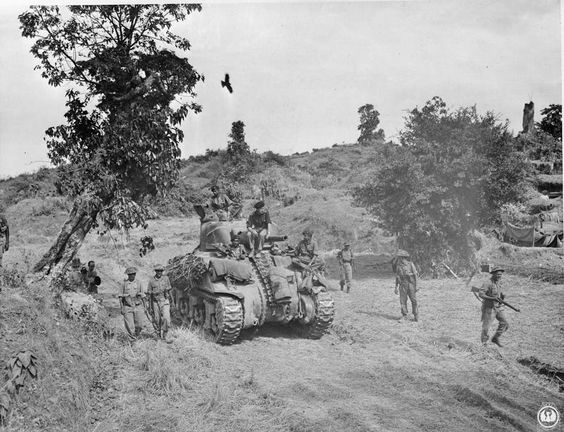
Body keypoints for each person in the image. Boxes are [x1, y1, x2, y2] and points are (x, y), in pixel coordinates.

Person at [478, 266, 509, 347]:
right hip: (489, 308)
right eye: (498, 274)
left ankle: (495, 338)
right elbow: (481, 294)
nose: (499, 276)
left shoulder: (499, 282)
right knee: (486, 327)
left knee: (504, 323)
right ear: (493, 274)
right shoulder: (487, 283)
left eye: (501, 274)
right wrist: (492, 298)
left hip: (498, 307)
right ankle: (484, 344)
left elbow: (499, 293)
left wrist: (502, 296)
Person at [147, 264, 173, 343]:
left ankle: (165, 335)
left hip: (165, 301)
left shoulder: (166, 279)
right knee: (156, 319)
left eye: (161, 271)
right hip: (155, 302)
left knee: (166, 318)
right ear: (155, 271)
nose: (159, 272)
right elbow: (150, 295)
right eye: (158, 271)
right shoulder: (151, 281)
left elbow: (169, 290)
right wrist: (150, 306)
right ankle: (158, 336)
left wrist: (173, 301)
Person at [118, 266, 145, 341]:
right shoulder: (124, 284)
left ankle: (136, 336)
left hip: (137, 305)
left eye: (133, 274)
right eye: (130, 274)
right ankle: (132, 340)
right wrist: (122, 308)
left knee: (139, 325)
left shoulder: (139, 283)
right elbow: (120, 297)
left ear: (135, 274)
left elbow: (143, 296)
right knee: (130, 325)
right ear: (127, 275)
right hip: (127, 306)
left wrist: (145, 307)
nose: (132, 276)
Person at [393, 250, 419, 322]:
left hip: (411, 284)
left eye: (400, 258)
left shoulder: (410, 264)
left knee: (413, 300)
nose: (398, 259)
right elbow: (397, 276)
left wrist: (417, 286)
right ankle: (404, 316)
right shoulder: (398, 266)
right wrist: (396, 287)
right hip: (402, 285)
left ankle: (416, 314)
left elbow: (416, 275)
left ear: (403, 258)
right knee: (402, 301)